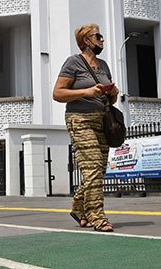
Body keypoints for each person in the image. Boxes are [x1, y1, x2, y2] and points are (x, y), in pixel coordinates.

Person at [53, 24, 119, 232]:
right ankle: (97, 216)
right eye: (97, 36)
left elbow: (112, 100)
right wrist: (85, 92)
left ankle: (79, 208)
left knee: (98, 170)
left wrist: (113, 92)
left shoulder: (104, 65)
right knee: (91, 169)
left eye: (102, 36)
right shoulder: (73, 63)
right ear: (86, 41)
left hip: (102, 121)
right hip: (80, 120)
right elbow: (58, 94)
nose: (102, 40)